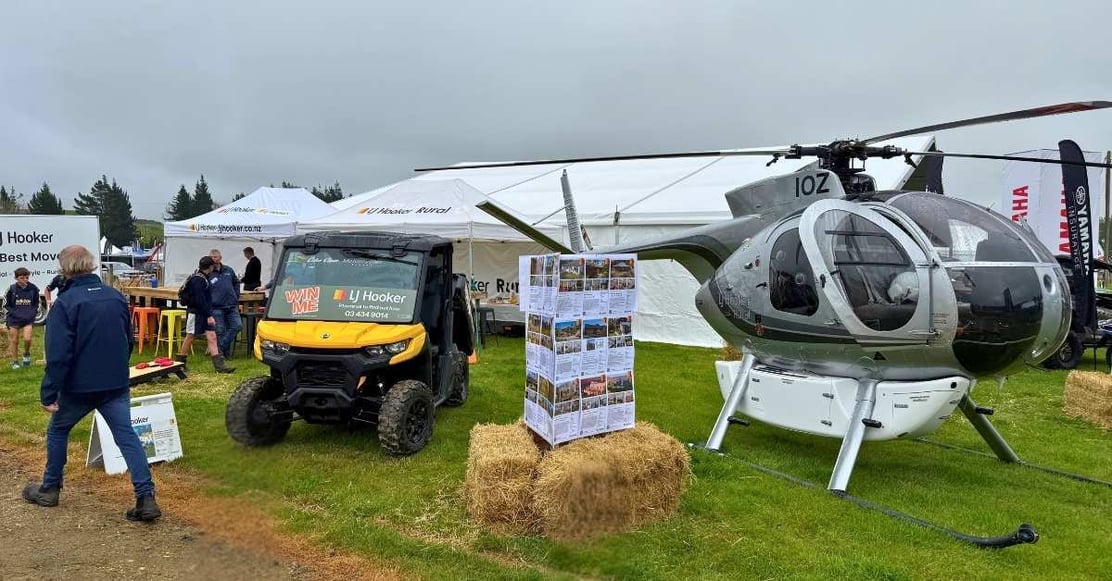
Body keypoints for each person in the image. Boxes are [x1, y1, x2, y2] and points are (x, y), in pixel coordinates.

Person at [21, 245, 161, 521]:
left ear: (64, 270)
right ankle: (146, 497)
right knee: (127, 437)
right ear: (93, 265)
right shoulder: (116, 297)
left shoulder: (66, 303)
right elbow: (129, 339)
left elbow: (59, 354)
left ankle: (50, 487)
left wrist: (49, 392)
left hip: (79, 387)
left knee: (59, 430)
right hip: (115, 383)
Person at [175, 257, 234, 373]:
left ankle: (220, 366)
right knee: (190, 336)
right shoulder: (198, 280)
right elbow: (199, 300)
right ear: (210, 267)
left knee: (212, 336)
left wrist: (208, 314)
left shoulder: (203, 278)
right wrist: (209, 315)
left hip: (204, 312)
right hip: (196, 312)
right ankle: (180, 363)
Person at [208, 249, 241, 359]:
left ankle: (220, 348)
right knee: (220, 330)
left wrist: (236, 295)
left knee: (237, 326)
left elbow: (236, 282)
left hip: (231, 304)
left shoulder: (228, 270)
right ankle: (224, 354)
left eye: (215, 257)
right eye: (211, 257)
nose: (213, 259)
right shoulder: (208, 272)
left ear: (220, 258)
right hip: (216, 306)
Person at [6, 267, 41, 369]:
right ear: (16, 278)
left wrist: (32, 314)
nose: (25, 280)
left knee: (27, 339)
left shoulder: (33, 288)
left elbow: (37, 304)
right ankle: (15, 362)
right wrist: (13, 314)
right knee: (15, 341)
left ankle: (26, 354)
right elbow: (6, 305)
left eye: (27, 277)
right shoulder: (11, 289)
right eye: (22, 278)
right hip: (14, 319)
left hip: (27, 319)